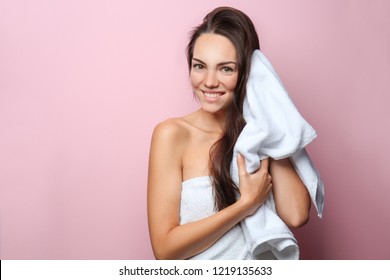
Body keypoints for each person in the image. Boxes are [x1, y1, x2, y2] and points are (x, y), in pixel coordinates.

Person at [147, 6, 311, 260]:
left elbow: (297, 214)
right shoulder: (172, 134)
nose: (209, 81)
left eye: (226, 69)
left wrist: (266, 112)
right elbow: (165, 250)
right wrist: (245, 205)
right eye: (200, 66)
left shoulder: (258, 134)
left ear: (248, 71)